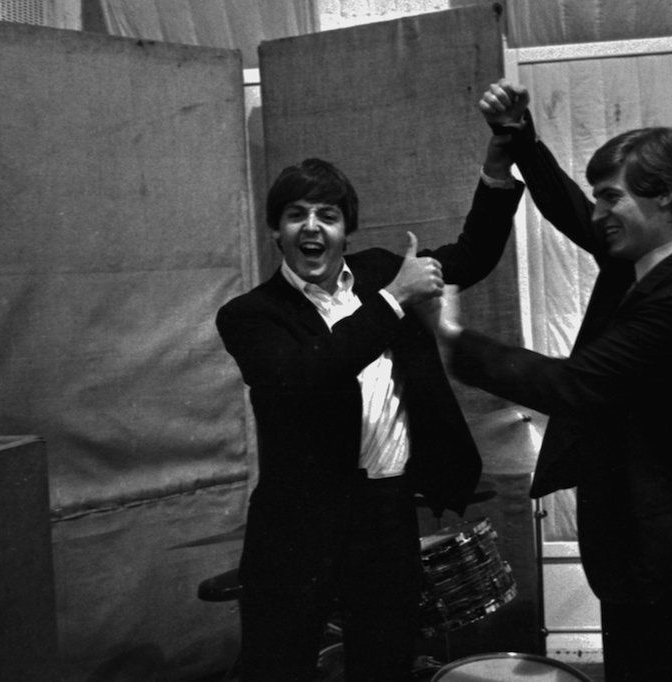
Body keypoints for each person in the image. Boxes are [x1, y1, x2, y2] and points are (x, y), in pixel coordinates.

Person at [431, 80, 672, 682]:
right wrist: (518, 137)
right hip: (640, 530)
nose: (596, 214)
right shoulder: (652, 260)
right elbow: (568, 207)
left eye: (610, 198)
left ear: (664, 195)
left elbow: (575, 386)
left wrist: (454, 338)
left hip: (660, 536)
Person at [215, 126, 523, 681]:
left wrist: (497, 169)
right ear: (275, 232)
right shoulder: (249, 315)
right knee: (275, 668)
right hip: (296, 524)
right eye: (296, 214)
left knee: (384, 665)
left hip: (385, 513)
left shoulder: (383, 271)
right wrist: (393, 301)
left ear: (345, 231)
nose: (312, 227)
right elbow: (307, 375)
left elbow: (472, 256)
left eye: (328, 215)